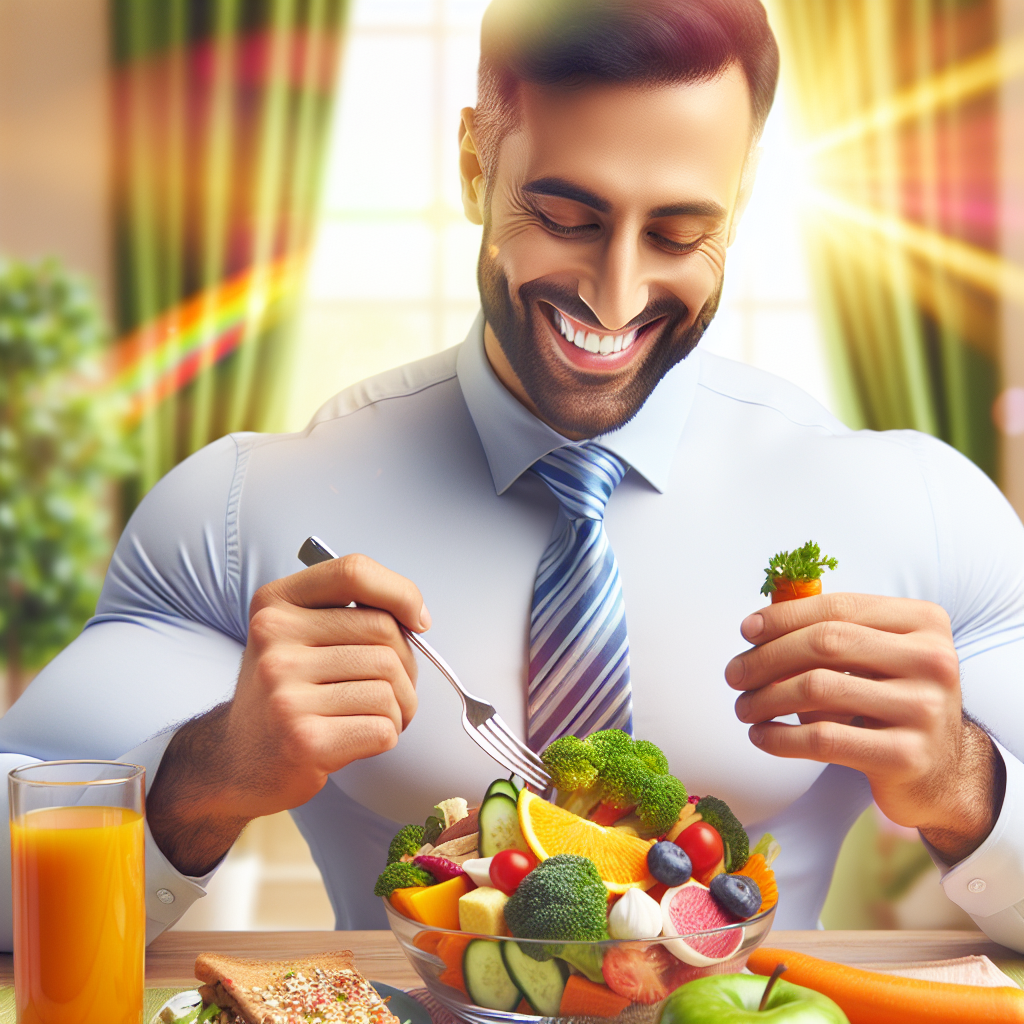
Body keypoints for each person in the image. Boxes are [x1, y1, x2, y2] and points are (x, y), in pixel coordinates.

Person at [2, 0, 1024, 952]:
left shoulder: (913, 508)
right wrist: (204, 775)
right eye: (567, 217)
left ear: (742, 198)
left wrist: (966, 784)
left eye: (678, 232)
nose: (615, 296)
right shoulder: (242, 511)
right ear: (473, 166)